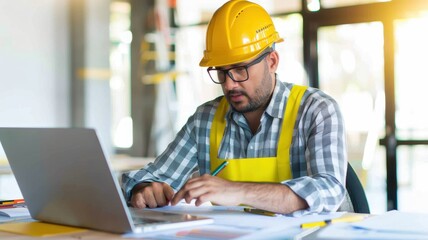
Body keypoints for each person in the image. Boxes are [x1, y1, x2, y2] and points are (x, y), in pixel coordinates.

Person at [122, 0, 350, 215]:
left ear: (272, 61)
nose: (229, 84)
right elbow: (146, 177)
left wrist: (236, 190)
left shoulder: (316, 110)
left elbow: (329, 190)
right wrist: (145, 188)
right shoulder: (205, 120)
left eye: (240, 69)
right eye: (221, 71)